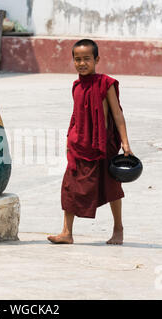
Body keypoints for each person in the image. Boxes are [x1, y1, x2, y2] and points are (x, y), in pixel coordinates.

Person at [47, 39, 133, 245]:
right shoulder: (76, 86)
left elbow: (117, 114)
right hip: (79, 145)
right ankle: (67, 232)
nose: (82, 63)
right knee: (69, 187)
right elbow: (76, 115)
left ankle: (118, 229)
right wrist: (69, 138)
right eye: (77, 59)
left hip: (102, 146)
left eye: (87, 59)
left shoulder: (106, 84)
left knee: (111, 188)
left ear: (97, 59)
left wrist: (125, 142)